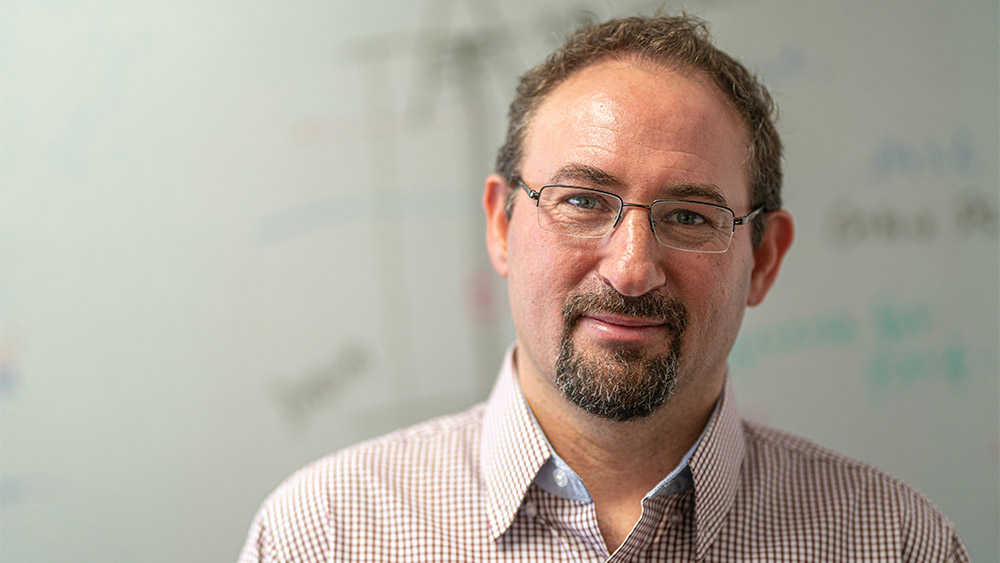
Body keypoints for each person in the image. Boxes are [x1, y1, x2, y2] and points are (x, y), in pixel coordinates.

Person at [239, 15, 967, 562]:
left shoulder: (892, 540)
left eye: (689, 215)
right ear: (501, 222)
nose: (630, 269)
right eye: (584, 201)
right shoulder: (327, 532)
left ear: (764, 258)